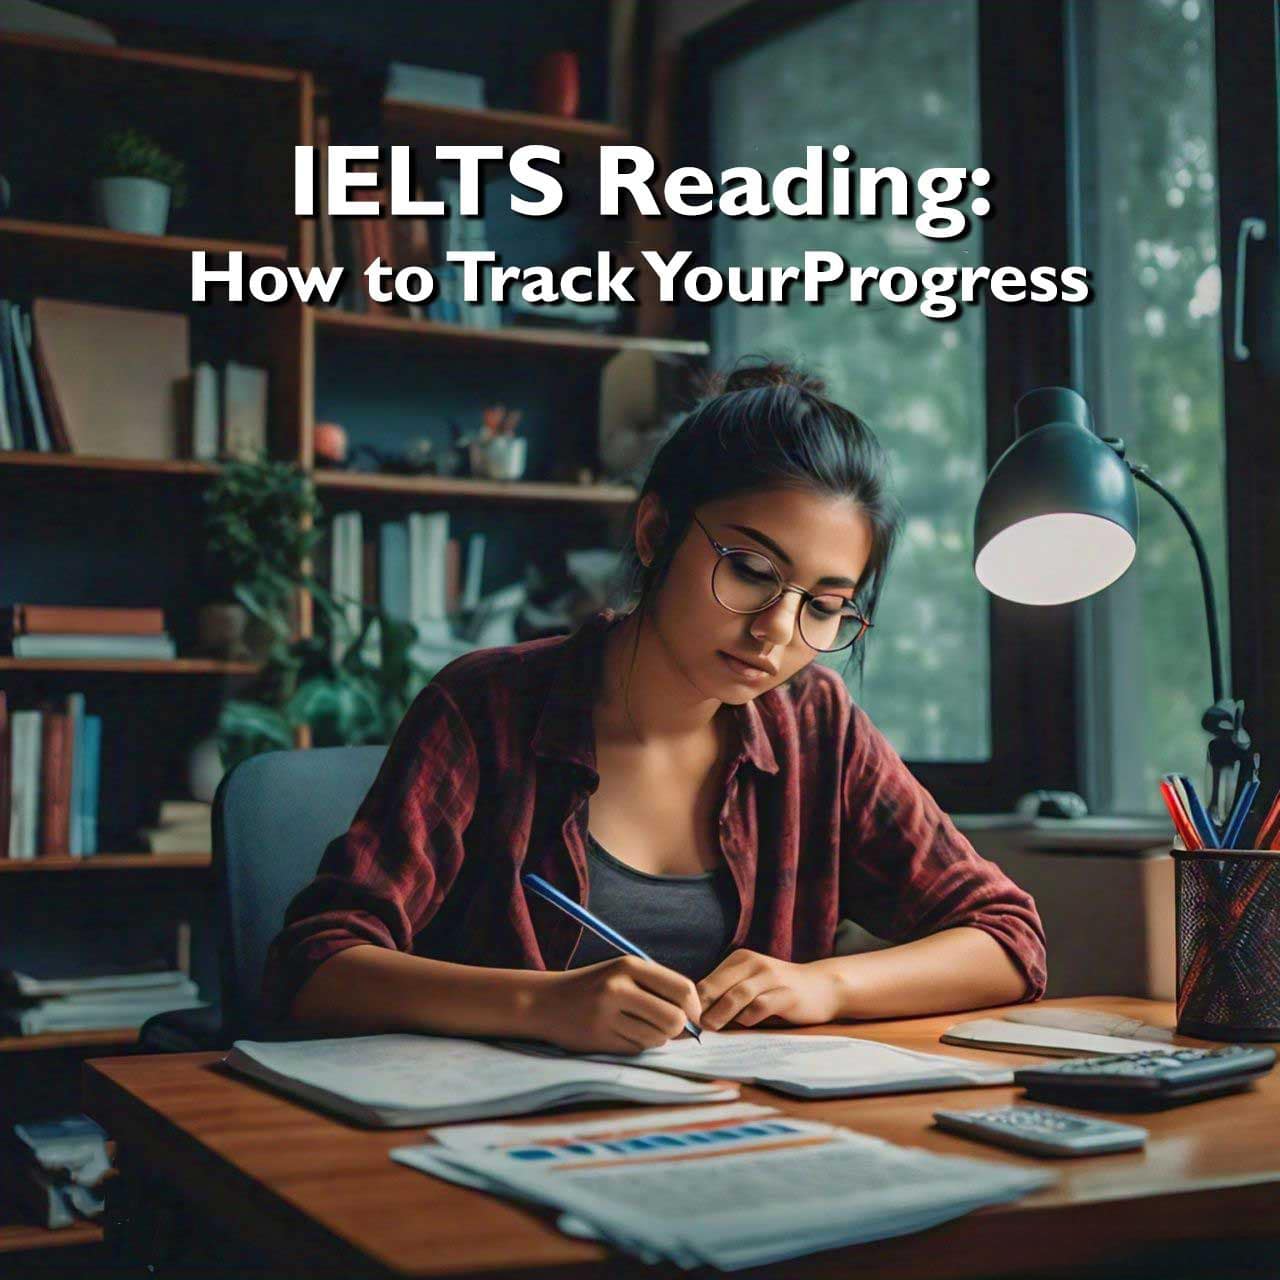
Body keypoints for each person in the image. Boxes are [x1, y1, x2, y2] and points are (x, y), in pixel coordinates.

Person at [263, 360, 1046, 1054]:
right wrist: (539, 1004)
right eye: (749, 570)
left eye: (825, 604)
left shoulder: (817, 727)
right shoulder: (487, 707)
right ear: (654, 531)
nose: (777, 629)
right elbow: (317, 964)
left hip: (733, 1145)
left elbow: (1007, 941)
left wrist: (826, 987)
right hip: (488, 1148)